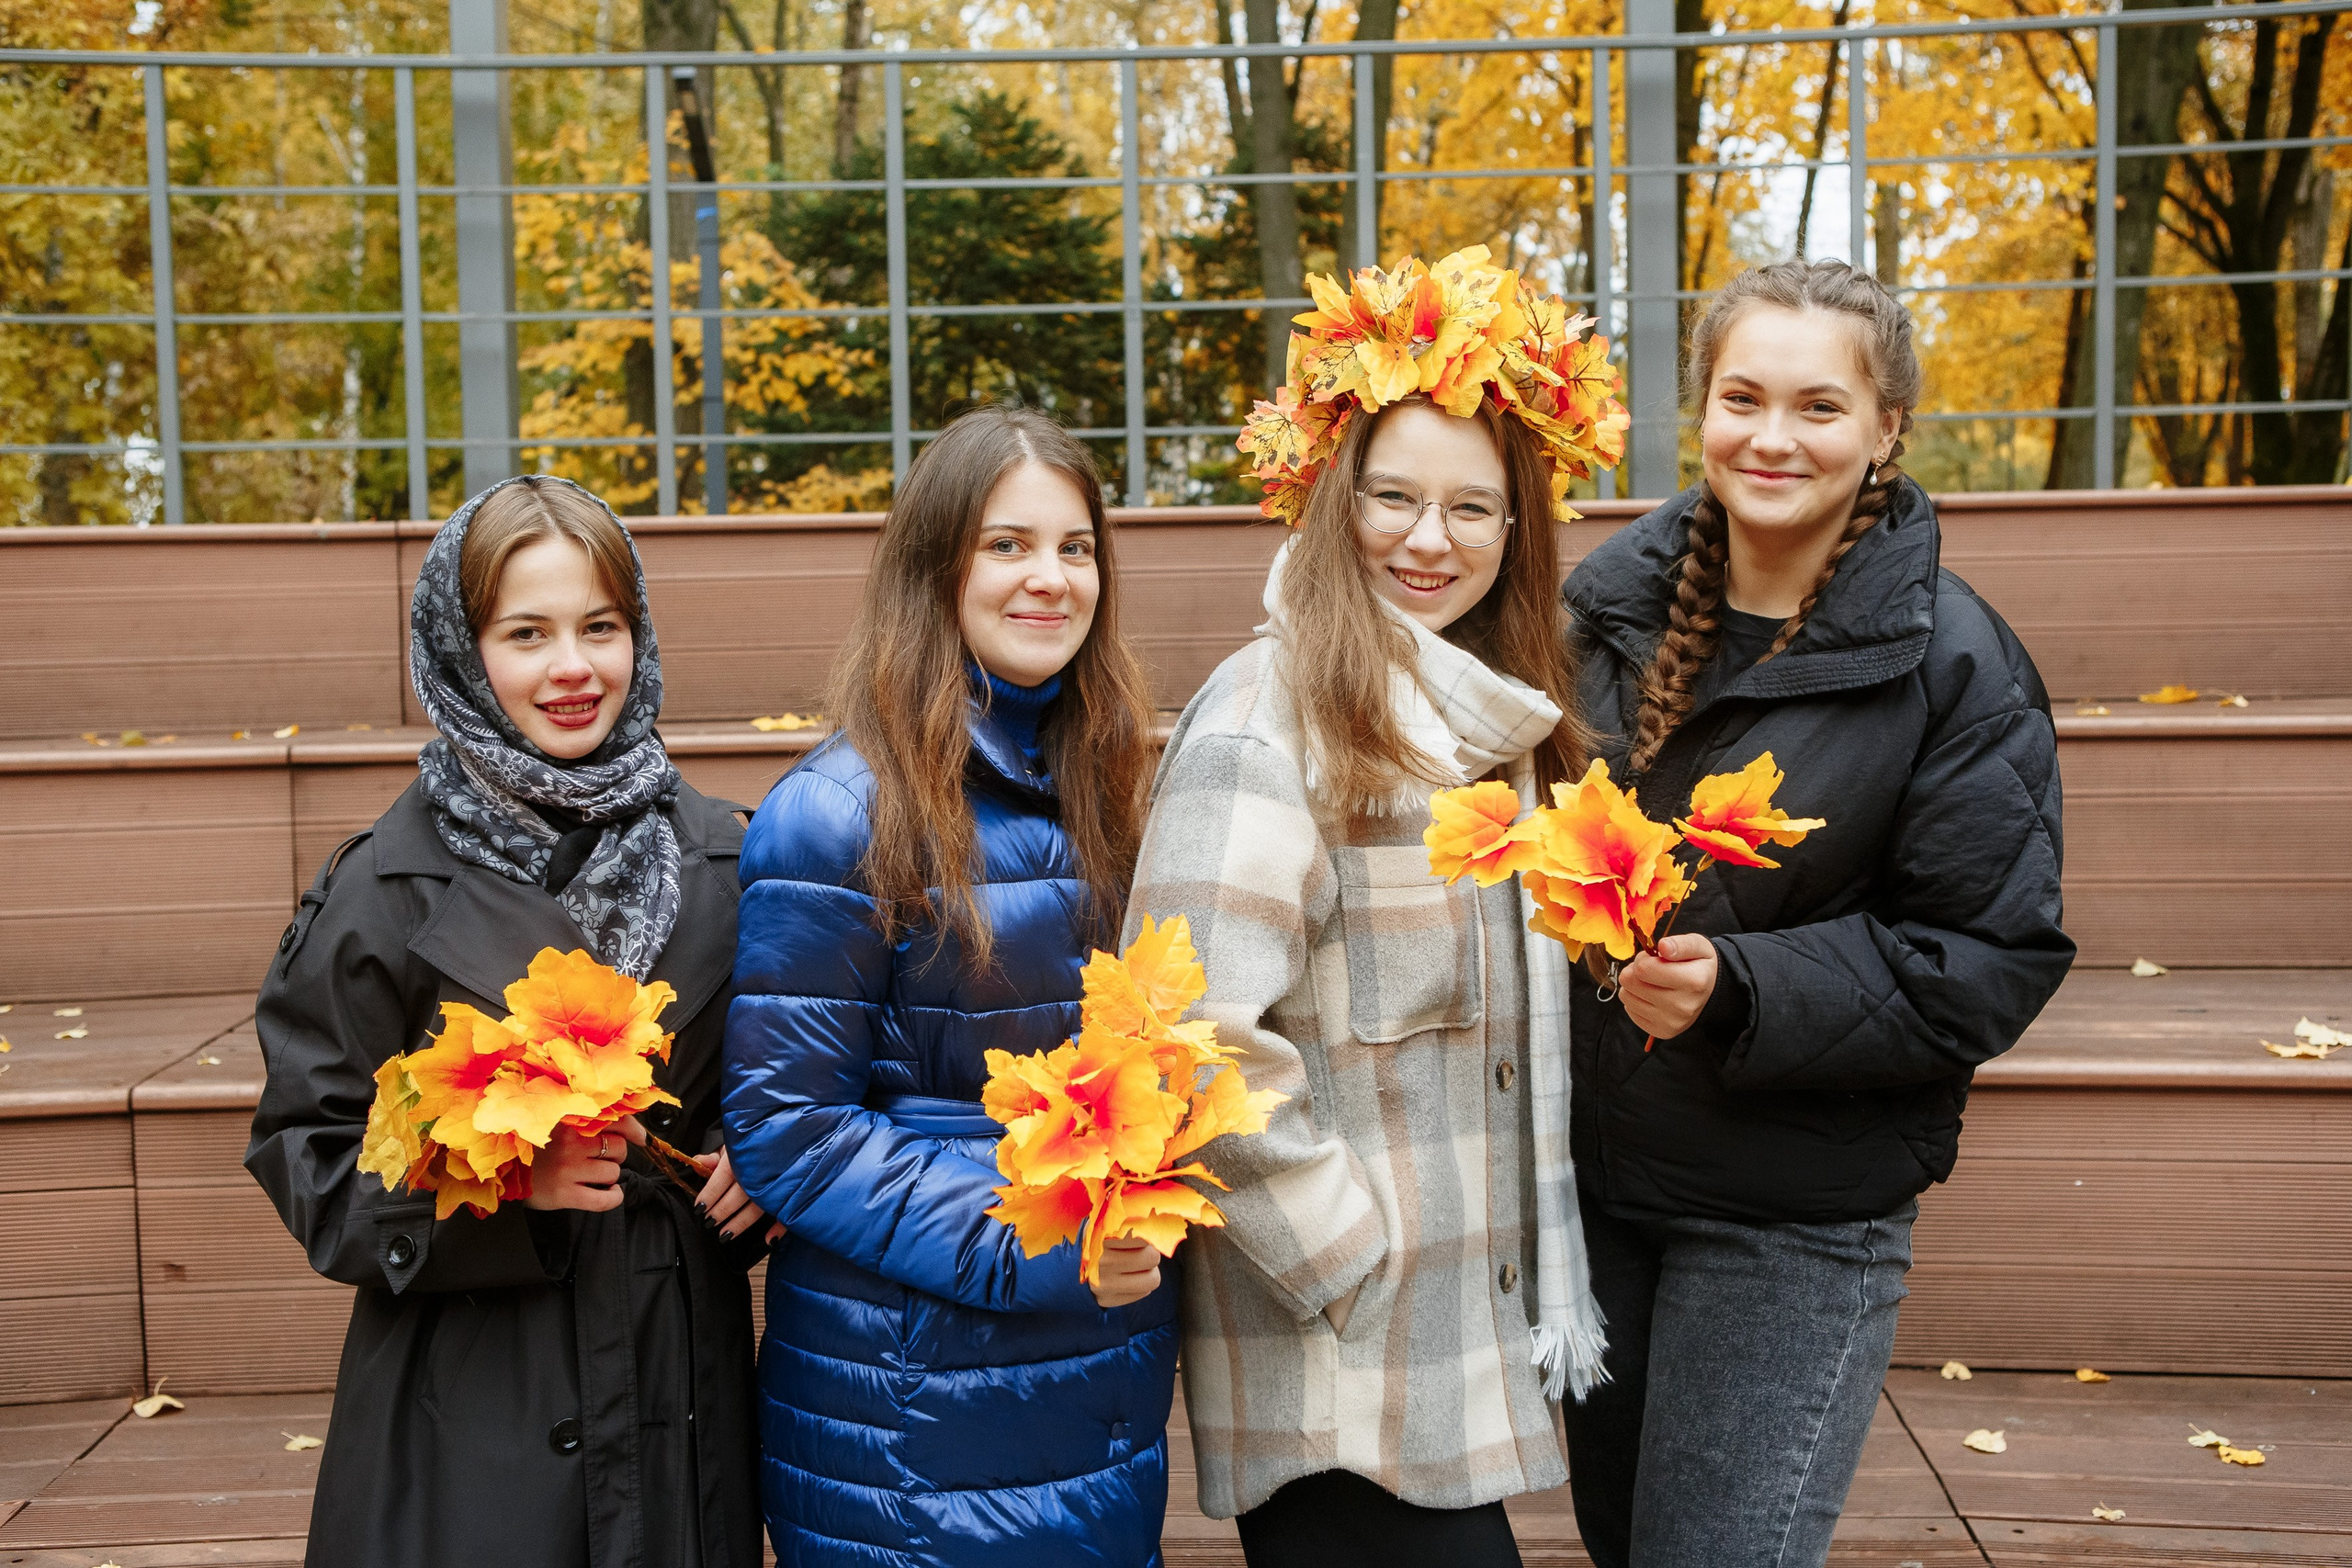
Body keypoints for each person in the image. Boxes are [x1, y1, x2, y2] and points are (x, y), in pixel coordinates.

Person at [1557, 258, 2075, 1566]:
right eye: (1742, 396)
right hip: (1594, 1198)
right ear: (1701, 408)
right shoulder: (1594, 617)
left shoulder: (1958, 661)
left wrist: (1744, 983)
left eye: (1819, 406)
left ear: (1887, 427)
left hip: (1792, 1219)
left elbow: (1989, 956)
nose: (1772, 437)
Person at [1125, 250, 1630, 1568]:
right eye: (1394, 496)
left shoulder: (1492, 729)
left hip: (1452, 1344)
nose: (1428, 538)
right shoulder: (1269, 711)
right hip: (1340, 1362)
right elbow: (1188, 1033)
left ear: (1518, 533)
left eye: (1471, 508)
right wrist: (1350, 1261)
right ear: (1330, 501)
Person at [245, 474, 771, 1568]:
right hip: (468, 1423)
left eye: (601, 627)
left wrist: (761, 1170)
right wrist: (500, 1195)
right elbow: (309, 1153)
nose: (573, 669)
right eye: (525, 633)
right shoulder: (383, 887)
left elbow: (781, 1094)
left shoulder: (728, 858)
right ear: (459, 649)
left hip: (682, 1405)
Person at [721, 405, 1172, 1568]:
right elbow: (788, 1130)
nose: (1050, 579)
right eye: (1007, 545)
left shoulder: (1102, 785)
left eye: (1075, 549)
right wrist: (1041, 1237)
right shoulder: (838, 811)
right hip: (911, 1402)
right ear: (935, 568)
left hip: (1092, 1379)